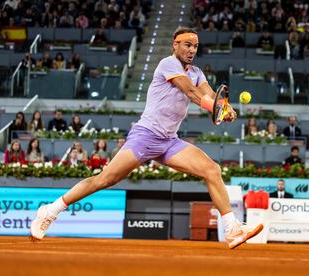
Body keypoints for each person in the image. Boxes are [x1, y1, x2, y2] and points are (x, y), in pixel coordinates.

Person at [30, 27, 262, 249]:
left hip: (169, 141)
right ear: (175, 45)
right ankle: (50, 211)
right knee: (105, 179)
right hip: (145, 136)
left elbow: (210, 95)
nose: (192, 50)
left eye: (195, 46)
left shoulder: (197, 72)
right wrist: (216, 108)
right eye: (187, 45)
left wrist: (226, 108)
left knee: (211, 170)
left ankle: (232, 229)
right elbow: (191, 93)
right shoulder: (167, 64)